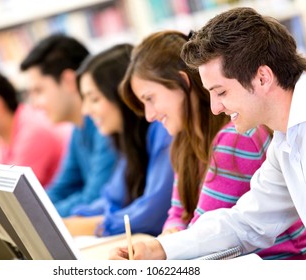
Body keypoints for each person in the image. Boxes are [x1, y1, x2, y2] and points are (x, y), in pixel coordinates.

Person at [110, 7, 306, 260]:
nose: (215, 108)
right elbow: (247, 223)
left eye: (221, 92)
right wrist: (160, 249)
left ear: (262, 77)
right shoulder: (284, 142)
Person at [63, 43, 174, 237]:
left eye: (94, 99)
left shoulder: (163, 129)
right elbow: (112, 197)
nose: (85, 110)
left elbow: (153, 213)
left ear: (122, 95)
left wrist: (90, 226)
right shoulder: (129, 139)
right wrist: (75, 219)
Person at [20, 34, 117, 217]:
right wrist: (23, 213)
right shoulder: (78, 129)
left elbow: (94, 197)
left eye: (39, 91)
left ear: (69, 81)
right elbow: (62, 187)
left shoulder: (104, 124)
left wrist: (36, 216)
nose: (34, 104)